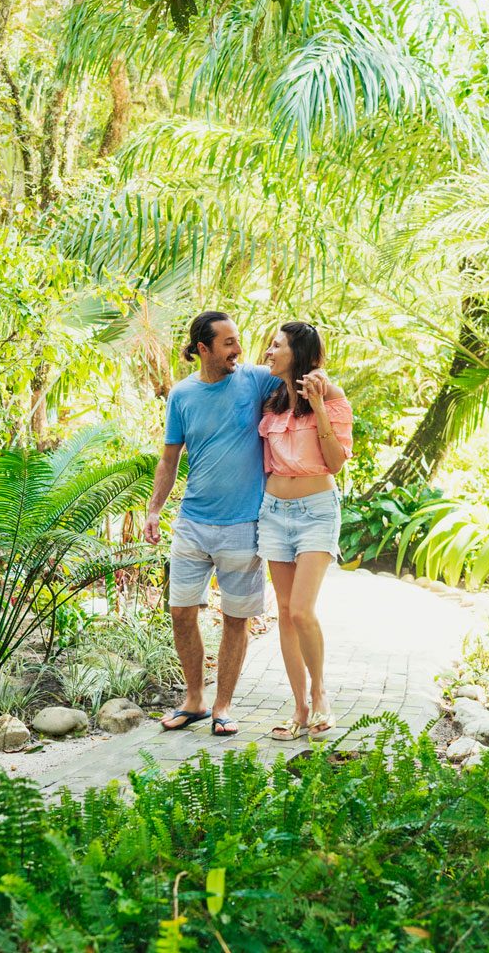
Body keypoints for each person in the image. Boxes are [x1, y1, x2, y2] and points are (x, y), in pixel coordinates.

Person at [145, 311, 283, 736]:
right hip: (192, 522)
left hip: (243, 524)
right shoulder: (182, 396)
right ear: (202, 349)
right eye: (227, 343)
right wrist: (154, 509)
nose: (237, 350)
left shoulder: (256, 380)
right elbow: (169, 459)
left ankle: (222, 706)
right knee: (181, 611)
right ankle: (195, 699)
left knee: (235, 619)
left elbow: (304, 375)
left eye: (237, 340)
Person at [258, 321, 352, 739]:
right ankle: (298, 709)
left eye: (276, 345)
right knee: (283, 613)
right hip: (274, 512)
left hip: (316, 510)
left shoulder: (332, 398)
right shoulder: (271, 400)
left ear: (298, 353)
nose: (268, 351)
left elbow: (335, 462)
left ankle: (320, 694)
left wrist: (318, 405)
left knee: (301, 610)